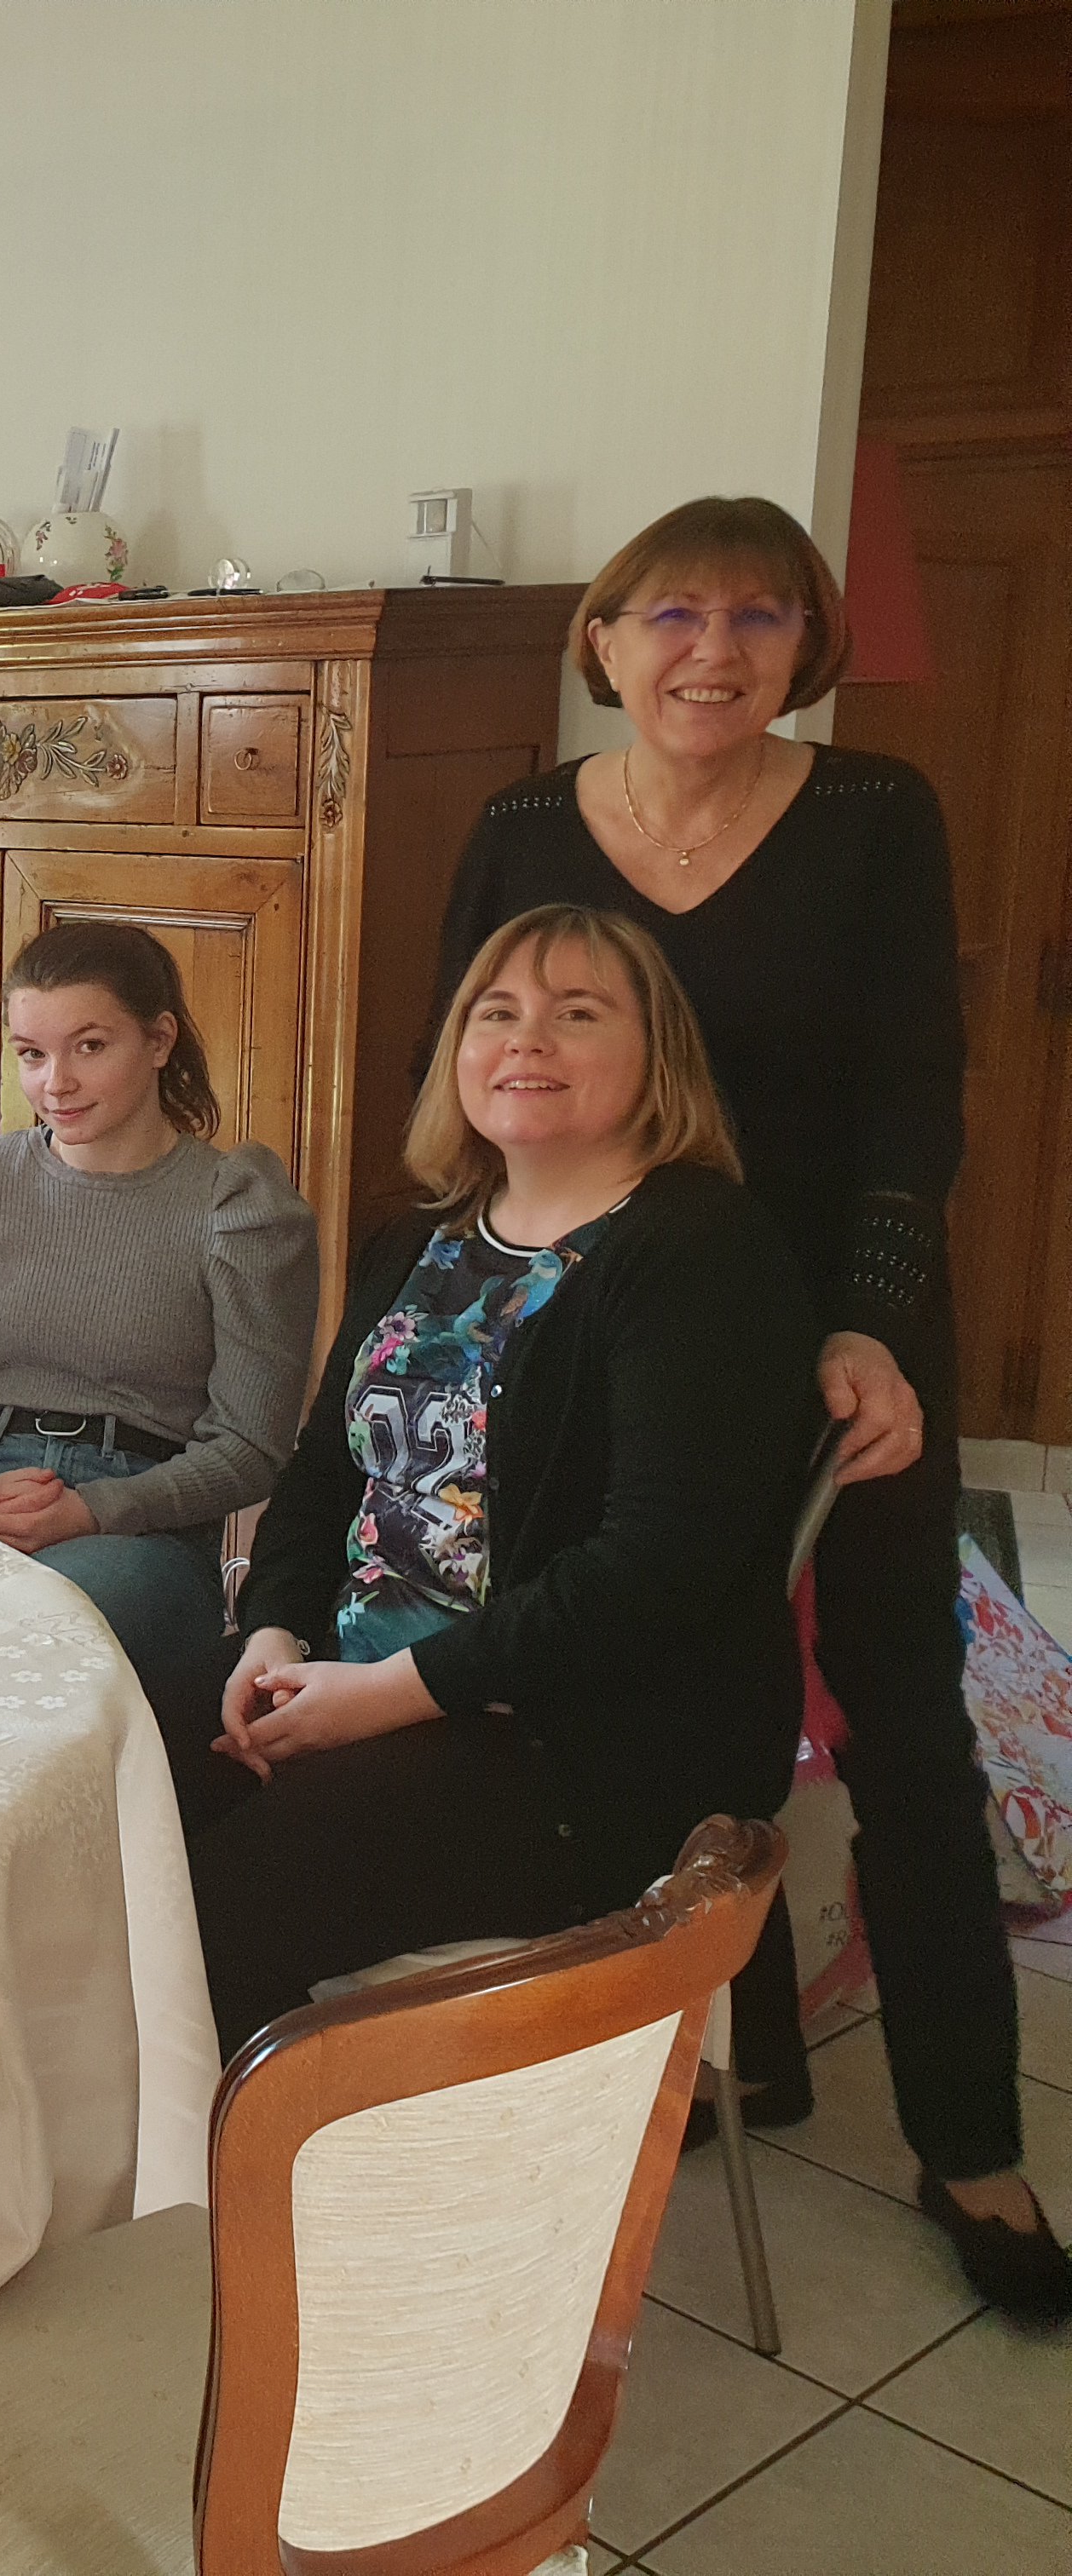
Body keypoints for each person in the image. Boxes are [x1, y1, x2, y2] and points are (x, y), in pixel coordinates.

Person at [438, 496, 1069, 2316]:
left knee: (899, 1717)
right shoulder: (523, 827)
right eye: (671, 614)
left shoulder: (875, 813)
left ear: (808, 645)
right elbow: (472, 1066)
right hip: (598, 1317)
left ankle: (970, 2138)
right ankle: (712, 2046)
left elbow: (911, 1100)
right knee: (639, 1686)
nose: (712, 651)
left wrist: (868, 1323)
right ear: (603, 640)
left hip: (833, 1337)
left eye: (759, 617)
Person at [201, 908, 821, 2055]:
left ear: (656, 1057)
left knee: (214, 1899)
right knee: (123, 1804)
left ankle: (273, 2161)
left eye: (577, 1014)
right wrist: (273, 1633)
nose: (528, 1039)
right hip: (359, 1682)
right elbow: (325, 1473)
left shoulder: (700, 1251)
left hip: (578, 1750)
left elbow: (650, 1577)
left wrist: (381, 1698)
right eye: (498, 1012)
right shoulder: (414, 1240)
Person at [0, 921, 316, 1736]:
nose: (56, 1084)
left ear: (159, 1040)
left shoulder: (236, 1206)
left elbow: (252, 1447)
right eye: (31, 1054)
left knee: (17, 1643)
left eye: (89, 1046)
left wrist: (92, 1511)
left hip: (142, 1526)